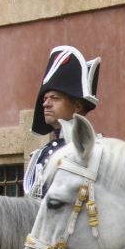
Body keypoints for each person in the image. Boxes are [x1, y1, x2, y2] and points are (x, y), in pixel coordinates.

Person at [23, 45, 101, 196]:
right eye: (45, 99)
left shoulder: (95, 151)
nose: (45, 104)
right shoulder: (40, 155)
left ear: (77, 106)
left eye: (55, 98)